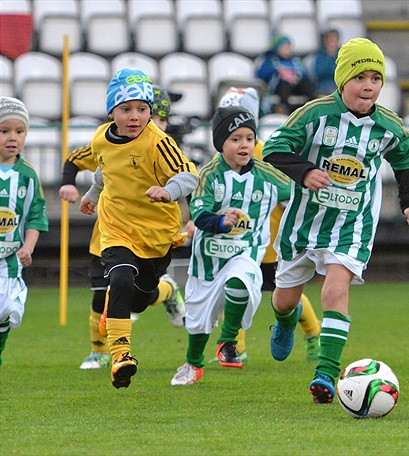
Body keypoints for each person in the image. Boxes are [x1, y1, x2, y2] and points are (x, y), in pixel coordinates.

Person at [262, 38, 409, 404]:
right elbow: (274, 148)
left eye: (376, 78)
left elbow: (404, 162)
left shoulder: (389, 127)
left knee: (334, 291)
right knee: (285, 300)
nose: (368, 86)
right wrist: (305, 172)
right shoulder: (315, 114)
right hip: (304, 223)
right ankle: (286, 323)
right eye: (360, 77)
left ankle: (326, 373)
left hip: (352, 225)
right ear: (341, 81)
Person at [79, 68, 199, 388]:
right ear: (111, 111)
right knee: (118, 277)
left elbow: (189, 176)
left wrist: (168, 191)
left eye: (143, 109)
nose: (135, 116)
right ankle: (120, 356)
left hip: (157, 235)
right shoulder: (100, 139)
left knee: (139, 300)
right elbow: (105, 171)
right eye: (126, 109)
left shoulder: (158, 143)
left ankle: (167, 291)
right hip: (117, 228)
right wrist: (92, 196)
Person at [170, 106, 294, 385]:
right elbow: (200, 216)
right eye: (236, 139)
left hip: (246, 253)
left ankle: (227, 341)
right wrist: (222, 222)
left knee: (240, 282)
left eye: (249, 138)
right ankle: (194, 363)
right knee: (198, 321)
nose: (244, 145)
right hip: (208, 260)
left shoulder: (268, 175)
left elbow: (297, 194)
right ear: (221, 143)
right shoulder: (210, 174)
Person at [202, 87, 322, 365]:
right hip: (235, 243)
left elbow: (289, 190)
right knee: (235, 292)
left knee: (285, 296)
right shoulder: (221, 157)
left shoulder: (269, 153)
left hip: (268, 243)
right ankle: (234, 347)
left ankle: (313, 334)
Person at [0, 97, 49, 367]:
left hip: (9, 262)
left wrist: (27, 247)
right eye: (4, 130)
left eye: (19, 132)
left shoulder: (28, 175)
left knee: (6, 313)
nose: (12, 138)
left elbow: (35, 215)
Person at [256, 34, 316, 115]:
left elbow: (304, 73)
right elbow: (261, 74)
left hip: (295, 86)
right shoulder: (270, 60)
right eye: (284, 47)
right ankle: (285, 111)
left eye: (288, 47)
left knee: (307, 84)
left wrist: (297, 78)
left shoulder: (295, 61)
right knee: (284, 85)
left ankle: (313, 109)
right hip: (279, 86)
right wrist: (277, 72)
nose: (287, 49)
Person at [311, 28, 340, 97]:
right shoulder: (320, 54)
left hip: (338, 86)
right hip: (323, 87)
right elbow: (319, 72)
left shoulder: (342, 54)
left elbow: (343, 72)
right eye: (330, 39)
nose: (332, 41)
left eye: (334, 38)